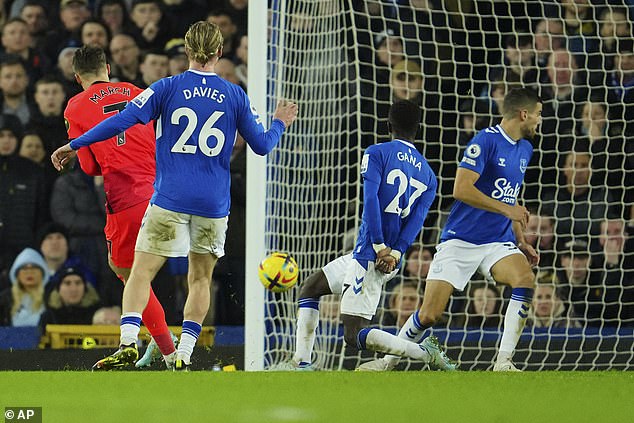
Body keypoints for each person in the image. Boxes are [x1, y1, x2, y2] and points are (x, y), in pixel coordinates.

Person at [51, 21, 298, 371]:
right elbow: (261, 145)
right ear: (219, 52)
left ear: (186, 50)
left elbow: (120, 121)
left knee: (139, 272)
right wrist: (279, 122)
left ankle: (128, 341)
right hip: (213, 203)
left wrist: (74, 144)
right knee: (199, 278)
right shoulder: (235, 95)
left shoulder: (166, 87)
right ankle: (182, 353)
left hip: (169, 197)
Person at [360, 87, 542, 372]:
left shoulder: (525, 149)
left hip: (497, 241)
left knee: (524, 279)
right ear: (524, 114)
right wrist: (508, 211)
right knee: (430, 314)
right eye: (538, 114)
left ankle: (504, 362)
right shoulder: (484, 142)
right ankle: (386, 362)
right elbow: (460, 189)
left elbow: (511, 195)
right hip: (460, 240)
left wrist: (520, 239)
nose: (539, 121)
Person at [287, 100, 452, 371]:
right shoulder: (429, 175)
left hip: (371, 255)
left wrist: (379, 246)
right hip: (377, 255)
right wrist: (397, 252)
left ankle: (424, 353)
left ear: (388, 126)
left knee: (353, 336)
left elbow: (371, 199)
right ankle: (301, 362)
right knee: (310, 288)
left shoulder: (376, 153)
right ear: (418, 129)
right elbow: (416, 221)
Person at [57, 45, 178, 369]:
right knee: (150, 274)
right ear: (108, 68)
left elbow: (88, 167)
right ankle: (167, 347)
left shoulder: (75, 106)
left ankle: (165, 350)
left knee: (127, 272)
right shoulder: (138, 91)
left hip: (126, 196)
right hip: (165, 192)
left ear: (77, 76)